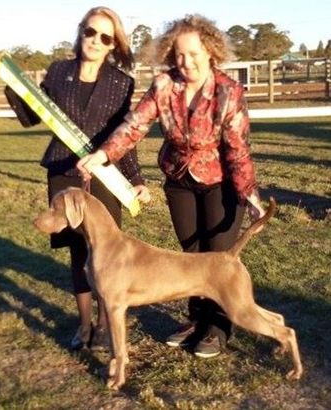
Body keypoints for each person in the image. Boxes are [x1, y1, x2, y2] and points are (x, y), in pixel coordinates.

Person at [77, 14, 265, 358]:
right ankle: (196, 320)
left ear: (210, 51)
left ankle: (217, 328)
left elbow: (238, 149)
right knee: (189, 256)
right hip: (179, 182)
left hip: (220, 182)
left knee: (218, 258)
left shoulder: (228, 91)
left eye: (193, 53)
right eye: (178, 54)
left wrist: (248, 192)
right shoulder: (164, 86)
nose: (186, 61)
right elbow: (135, 125)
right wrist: (104, 155)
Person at [5, 6, 149, 350]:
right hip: (64, 174)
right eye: (90, 32)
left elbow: (123, 137)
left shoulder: (121, 83)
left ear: (113, 44)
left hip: (104, 177)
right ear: (81, 32)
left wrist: (136, 178)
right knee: (77, 254)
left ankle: (103, 326)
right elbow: (29, 116)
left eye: (105, 37)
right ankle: (83, 326)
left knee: (106, 252)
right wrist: (15, 88)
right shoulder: (58, 72)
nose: (95, 41)